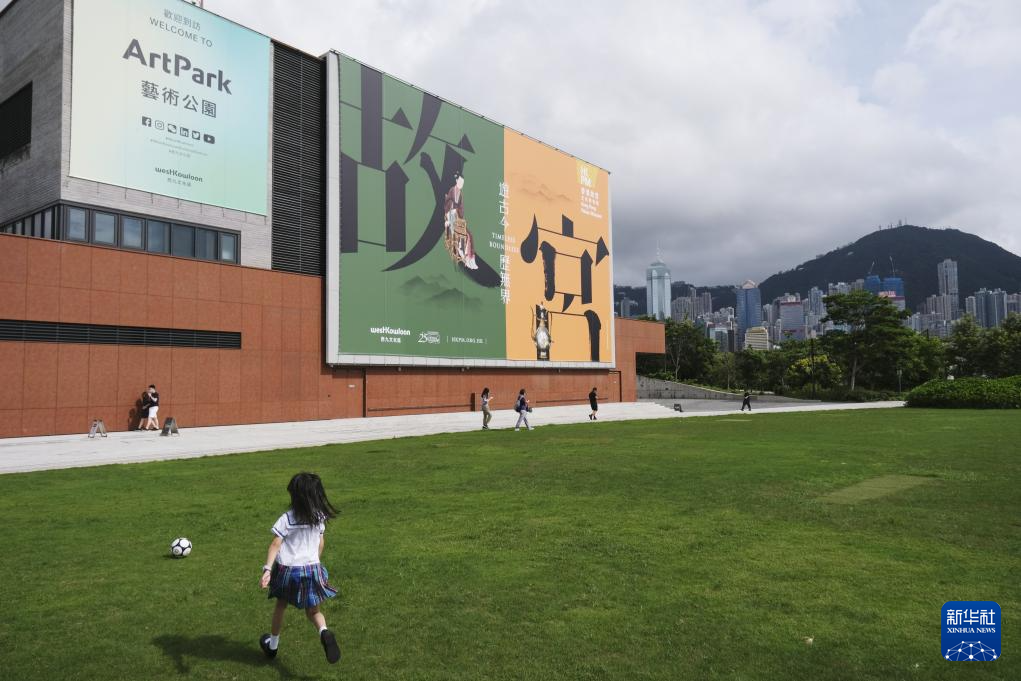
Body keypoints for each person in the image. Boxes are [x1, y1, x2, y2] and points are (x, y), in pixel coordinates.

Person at [259, 472, 341, 665]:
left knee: (281, 605)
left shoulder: (287, 518)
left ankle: (273, 645)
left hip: (288, 571)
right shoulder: (318, 517)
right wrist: (315, 563)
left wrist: (267, 569)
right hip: (312, 569)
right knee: (313, 611)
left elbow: (275, 544)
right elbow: (321, 543)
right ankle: (324, 631)